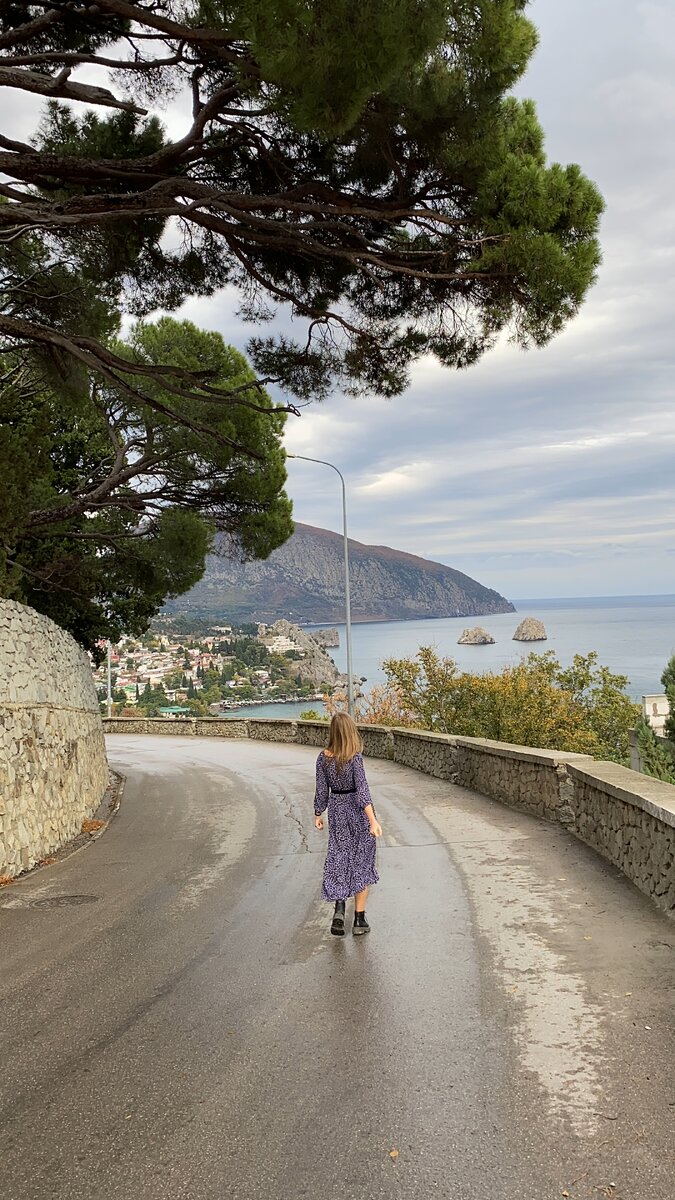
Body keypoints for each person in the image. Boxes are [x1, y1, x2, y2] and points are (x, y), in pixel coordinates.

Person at [314, 712, 382, 936]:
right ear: (350, 731)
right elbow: (362, 791)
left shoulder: (323, 758)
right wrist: (373, 821)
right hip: (357, 813)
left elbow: (322, 790)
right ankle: (359, 920)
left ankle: (339, 908)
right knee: (361, 860)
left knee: (339, 856)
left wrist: (318, 813)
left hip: (337, 810)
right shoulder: (354, 758)